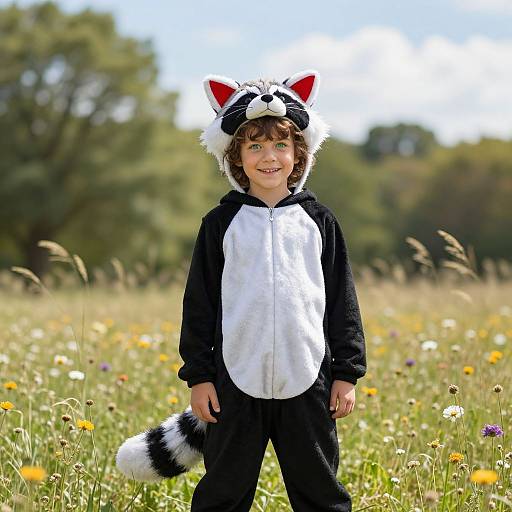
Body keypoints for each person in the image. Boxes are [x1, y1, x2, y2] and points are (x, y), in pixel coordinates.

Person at [177, 70, 367, 512]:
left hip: (309, 380)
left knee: (321, 493)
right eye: (255, 146)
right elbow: (198, 306)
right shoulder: (219, 224)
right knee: (222, 493)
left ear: (298, 155)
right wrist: (199, 377)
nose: (269, 157)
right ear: (235, 156)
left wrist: (347, 373)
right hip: (233, 384)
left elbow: (343, 302)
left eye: (281, 145)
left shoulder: (319, 221)